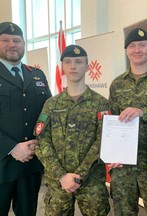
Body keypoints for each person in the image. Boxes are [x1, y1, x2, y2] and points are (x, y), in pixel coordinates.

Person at [34, 45, 110, 215]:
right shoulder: (51, 104)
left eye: (78, 62)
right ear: (62, 67)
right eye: (68, 62)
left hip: (91, 183)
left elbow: (104, 141)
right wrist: (61, 176)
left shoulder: (101, 103)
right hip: (58, 183)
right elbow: (42, 142)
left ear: (88, 67)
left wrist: (78, 175)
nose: (73, 66)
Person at [108, 27, 147, 215]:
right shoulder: (117, 84)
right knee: (123, 211)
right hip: (123, 164)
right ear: (126, 50)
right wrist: (111, 153)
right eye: (132, 46)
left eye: (142, 45)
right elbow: (112, 120)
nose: (137, 50)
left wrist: (142, 112)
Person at [0, 22, 51, 216]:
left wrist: (38, 142)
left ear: (23, 44)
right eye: (5, 40)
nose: (12, 44)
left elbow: (48, 112)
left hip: (31, 162)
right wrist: (13, 148)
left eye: (17, 40)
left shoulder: (36, 75)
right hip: (2, 164)